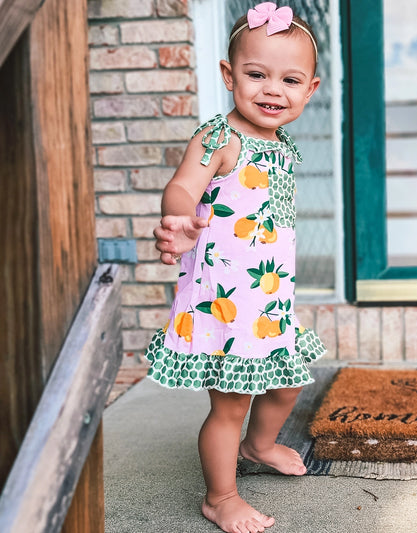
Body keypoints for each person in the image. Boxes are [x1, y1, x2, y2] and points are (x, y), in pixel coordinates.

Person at [146, 3, 326, 532]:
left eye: (289, 80)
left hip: (268, 299)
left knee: (288, 383)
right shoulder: (218, 138)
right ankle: (220, 496)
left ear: (310, 90)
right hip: (223, 301)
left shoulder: (284, 145)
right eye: (256, 74)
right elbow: (184, 185)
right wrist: (178, 217)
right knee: (231, 403)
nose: (273, 89)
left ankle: (258, 445)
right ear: (229, 76)